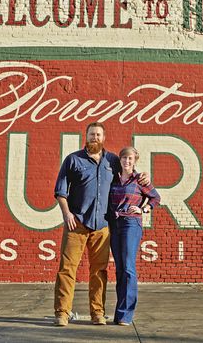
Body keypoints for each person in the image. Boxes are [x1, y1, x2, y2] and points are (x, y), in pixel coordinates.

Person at [53, 122, 148, 327]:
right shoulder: (73, 160)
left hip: (103, 226)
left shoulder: (112, 160)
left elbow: (130, 175)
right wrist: (67, 213)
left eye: (98, 134)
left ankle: (97, 313)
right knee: (67, 269)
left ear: (103, 137)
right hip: (76, 223)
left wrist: (143, 177)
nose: (95, 138)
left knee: (99, 271)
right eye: (91, 134)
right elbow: (60, 191)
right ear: (86, 137)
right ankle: (62, 313)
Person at [109, 146, 161, 326]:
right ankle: (119, 313)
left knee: (129, 267)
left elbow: (155, 198)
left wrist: (143, 209)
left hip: (131, 223)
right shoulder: (113, 178)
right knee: (119, 268)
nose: (127, 161)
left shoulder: (139, 179)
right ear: (120, 159)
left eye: (130, 158)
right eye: (124, 158)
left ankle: (126, 315)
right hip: (114, 224)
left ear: (135, 161)